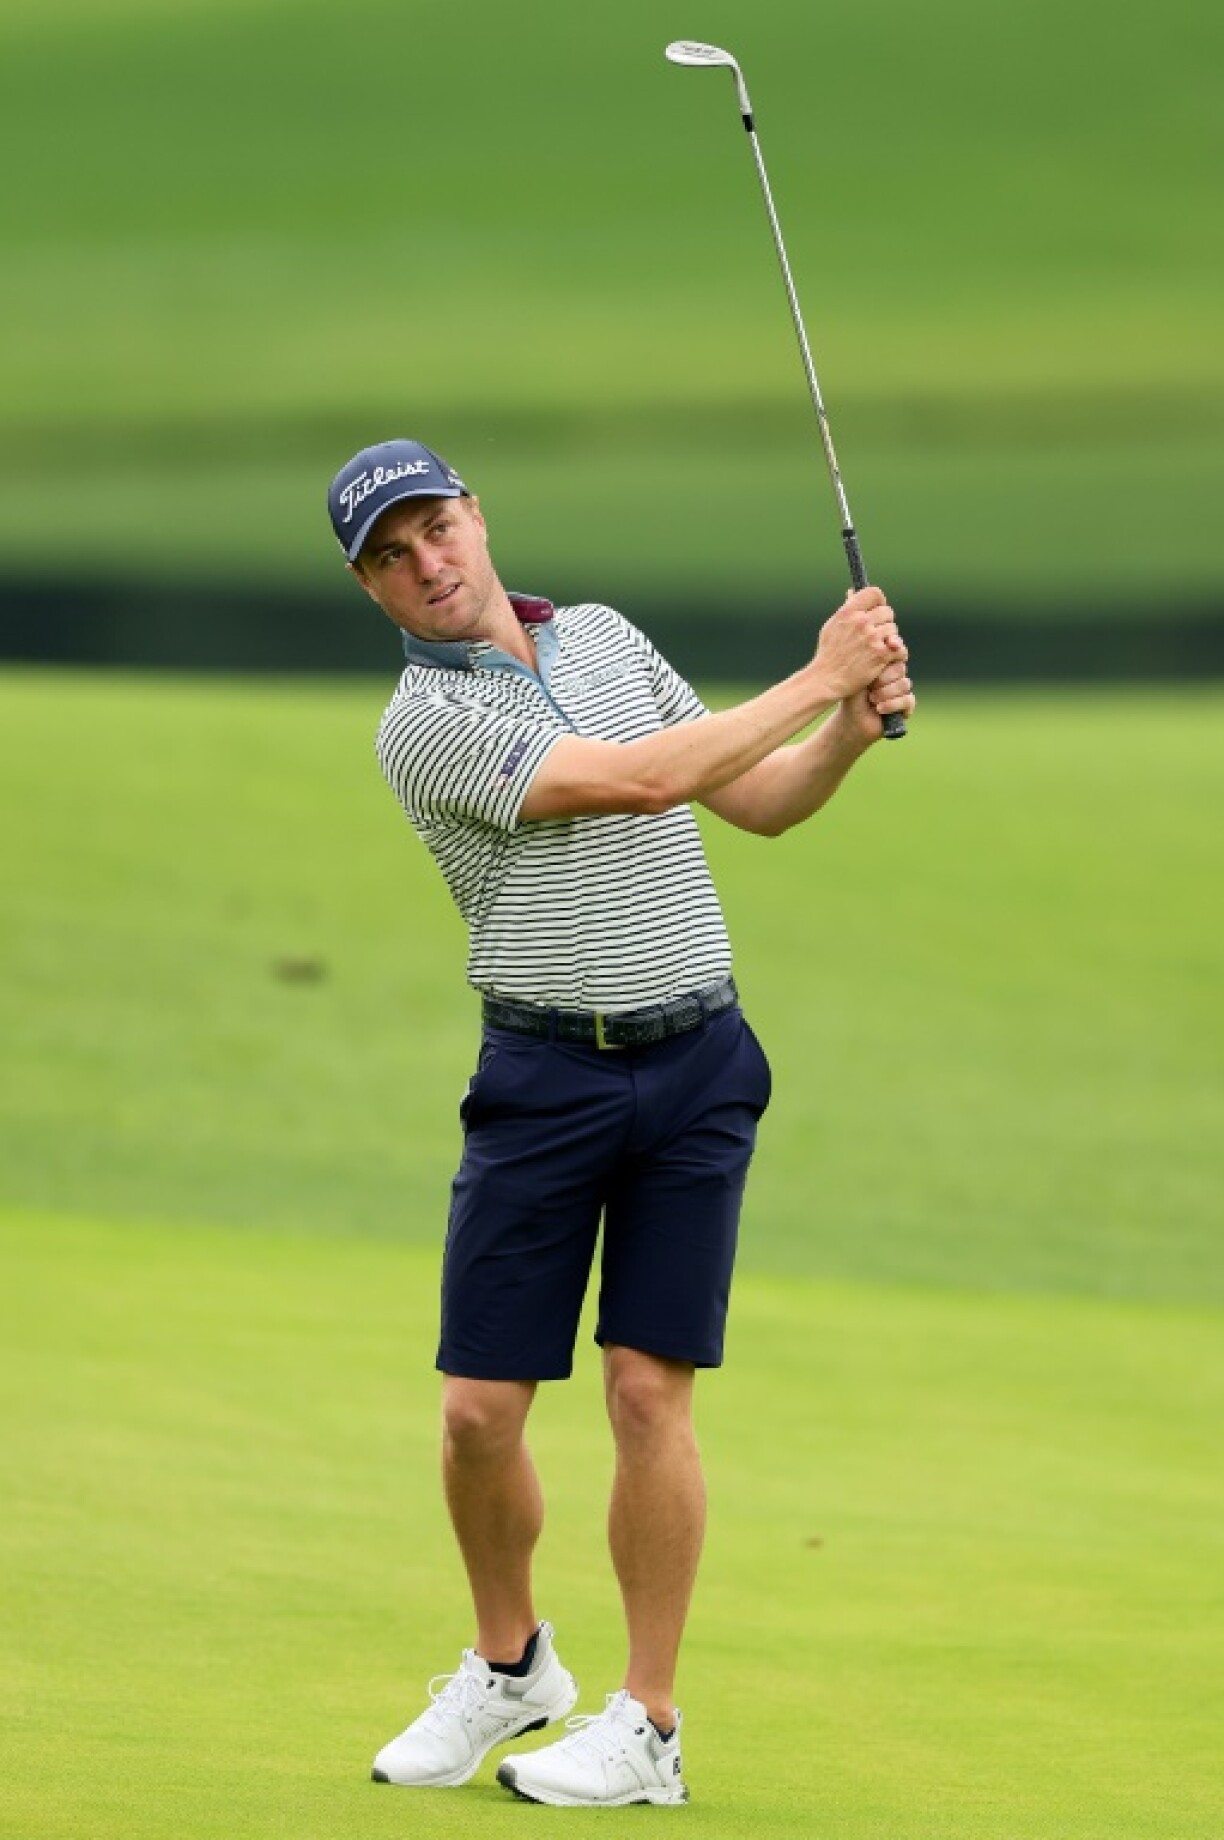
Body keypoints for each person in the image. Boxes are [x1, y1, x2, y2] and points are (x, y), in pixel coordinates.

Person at [326, 438, 915, 1808]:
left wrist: (844, 729)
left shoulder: (599, 635)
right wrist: (823, 674)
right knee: (480, 1414)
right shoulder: (422, 725)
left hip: (697, 1061)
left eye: (436, 528)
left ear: (477, 516)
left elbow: (752, 799)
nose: (427, 563)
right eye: (391, 557)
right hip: (543, 1079)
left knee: (650, 1392)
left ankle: (645, 1723)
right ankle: (510, 1663)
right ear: (373, 590)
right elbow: (641, 780)